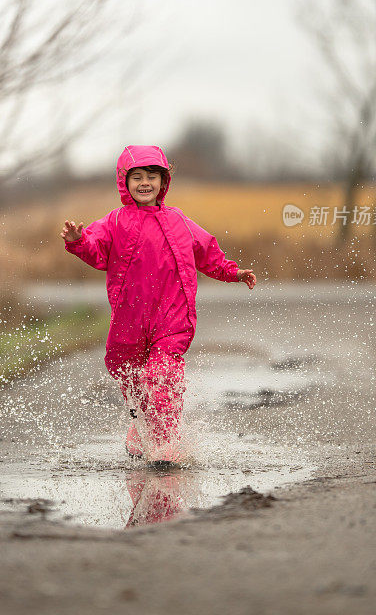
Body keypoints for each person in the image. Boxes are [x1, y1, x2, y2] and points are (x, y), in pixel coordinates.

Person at [60, 144, 256, 464]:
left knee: (163, 375)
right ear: (125, 183)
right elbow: (95, 250)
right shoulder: (114, 222)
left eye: (152, 176)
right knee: (132, 376)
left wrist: (232, 272)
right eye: (137, 177)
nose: (145, 183)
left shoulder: (178, 220)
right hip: (130, 315)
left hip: (172, 313)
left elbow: (206, 251)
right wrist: (78, 242)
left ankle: (166, 441)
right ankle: (140, 424)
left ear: (164, 183)